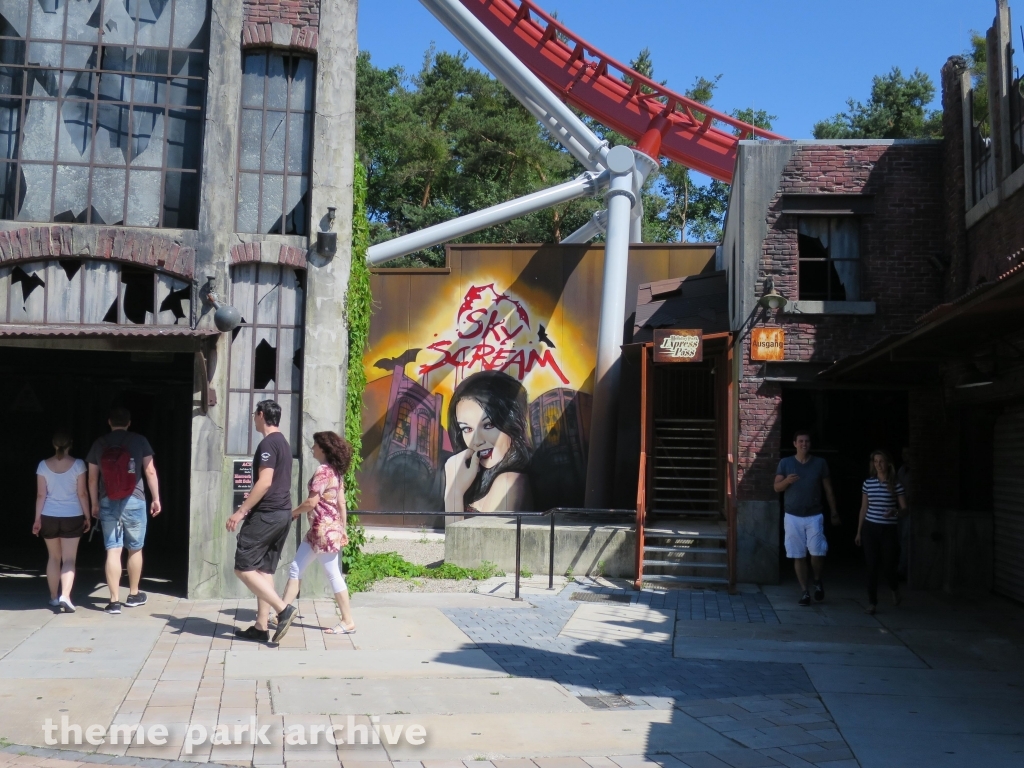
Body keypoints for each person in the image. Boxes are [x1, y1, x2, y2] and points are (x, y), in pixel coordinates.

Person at [227, 400, 298, 644]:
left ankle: (282, 609)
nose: (253, 419)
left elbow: (265, 481)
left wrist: (241, 512)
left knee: (243, 567)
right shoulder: (284, 443)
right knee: (263, 569)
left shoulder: (268, 443)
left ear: (260, 415)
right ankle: (260, 626)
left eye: (254, 415)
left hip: (266, 514)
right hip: (282, 514)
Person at [278, 431, 356, 635]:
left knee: (333, 575)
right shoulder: (335, 472)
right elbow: (341, 504)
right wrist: (343, 529)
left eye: (315, 445)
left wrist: (292, 513)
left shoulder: (323, 471)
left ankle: (347, 620)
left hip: (322, 532)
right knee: (296, 569)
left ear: (323, 448)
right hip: (323, 531)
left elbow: (312, 502)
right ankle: (282, 613)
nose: (312, 448)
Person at [87, 407, 161, 615]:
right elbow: (150, 471)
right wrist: (155, 498)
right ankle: (134, 594)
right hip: (134, 500)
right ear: (129, 422)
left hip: (107, 500)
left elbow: (92, 478)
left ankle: (113, 601)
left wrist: (94, 503)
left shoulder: (99, 443)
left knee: (113, 548)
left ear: (109, 422)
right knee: (135, 548)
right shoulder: (139, 441)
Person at [443, 371, 533, 513]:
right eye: (467, 429)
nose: (476, 441)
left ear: (513, 422)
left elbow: (458, 535)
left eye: (488, 425)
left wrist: (454, 493)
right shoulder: (480, 477)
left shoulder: (508, 482)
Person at [774, 430, 840, 606]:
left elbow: (828, 489)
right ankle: (805, 591)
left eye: (807, 441)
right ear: (795, 443)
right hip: (792, 516)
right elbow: (776, 487)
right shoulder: (785, 463)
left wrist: (834, 511)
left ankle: (817, 581)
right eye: (801, 441)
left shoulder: (820, 463)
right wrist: (787, 481)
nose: (804, 444)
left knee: (817, 552)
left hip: (814, 515)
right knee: (798, 554)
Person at [33, 430, 90, 613]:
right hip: (72, 516)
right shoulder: (78, 465)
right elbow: (82, 493)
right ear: (70, 444)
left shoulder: (43, 465)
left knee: (53, 557)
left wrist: (37, 519)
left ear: (53, 444)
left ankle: (53, 597)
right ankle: (65, 595)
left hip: (48, 516)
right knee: (69, 559)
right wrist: (87, 516)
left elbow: (41, 495)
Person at [856, 450, 907, 614]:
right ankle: (872, 602)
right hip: (870, 528)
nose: (878, 464)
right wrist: (858, 531)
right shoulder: (868, 483)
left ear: (888, 463)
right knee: (871, 566)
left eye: (881, 461)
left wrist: (895, 512)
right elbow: (864, 508)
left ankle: (894, 588)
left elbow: (905, 509)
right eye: (875, 461)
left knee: (888, 566)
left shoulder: (896, 484)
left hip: (888, 529)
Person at [896, 447, 913, 581]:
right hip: (901, 508)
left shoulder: (914, 472)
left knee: (906, 538)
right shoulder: (901, 470)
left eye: (907, 453)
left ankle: (903, 570)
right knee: (901, 538)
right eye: (903, 453)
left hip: (910, 508)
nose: (904, 456)